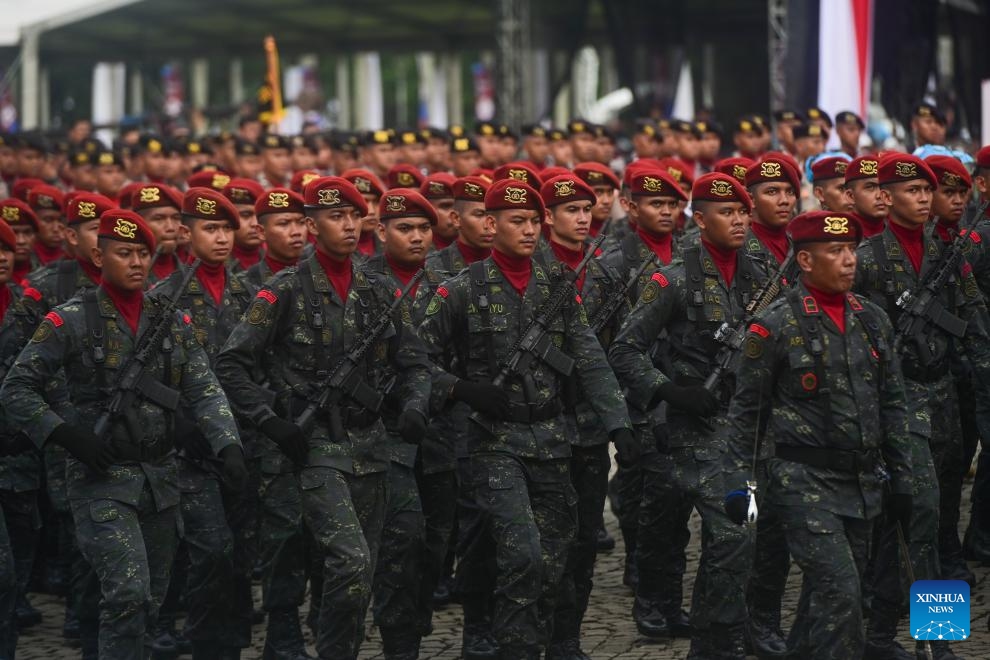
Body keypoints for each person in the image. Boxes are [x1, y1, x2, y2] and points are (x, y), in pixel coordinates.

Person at [1, 208, 244, 660]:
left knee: (147, 601)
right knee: (127, 592)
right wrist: (64, 434)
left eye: (142, 254)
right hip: (101, 478)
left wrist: (226, 443)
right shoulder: (70, 320)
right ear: (98, 255)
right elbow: (16, 388)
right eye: (124, 253)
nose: (136, 262)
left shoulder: (170, 317)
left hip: (160, 477)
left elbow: (204, 388)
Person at [215, 176, 432, 660]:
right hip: (313, 448)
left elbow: (414, 362)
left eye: (355, 216)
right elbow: (231, 362)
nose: (349, 225)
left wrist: (416, 405)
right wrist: (269, 420)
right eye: (337, 216)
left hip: (373, 447)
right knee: (351, 564)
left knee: (364, 574)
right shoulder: (283, 289)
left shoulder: (378, 288)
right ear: (313, 225)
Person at [417, 178, 632, 659]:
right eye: (518, 221)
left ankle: (543, 642)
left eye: (535, 220)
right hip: (493, 441)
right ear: (490, 226)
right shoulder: (460, 290)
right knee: (522, 555)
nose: (530, 230)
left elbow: (590, 358)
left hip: (554, 440)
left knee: (555, 558)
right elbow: (415, 360)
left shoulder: (557, 286)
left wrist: (620, 425)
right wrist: (460, 389)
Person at [724, 210, 912, 660]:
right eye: (836, 252)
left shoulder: (873, 319)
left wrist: (906, 476)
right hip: (803, 482)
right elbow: (747, 415)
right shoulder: (773, 326)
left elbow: (893, 404)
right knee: (841, 593)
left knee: (823, 602)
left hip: (862, 482)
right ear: (805, 261)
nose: (849, 261)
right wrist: (738, 490)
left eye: (851, 250)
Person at [608, 172, 760, 659]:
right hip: (688, 428)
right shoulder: (671, 278)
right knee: (685, 527)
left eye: (742, 213)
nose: (738, 221)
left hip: (749, 431)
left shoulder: (763, 276)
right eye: (727, 213)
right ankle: (703, 633)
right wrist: (669, 390)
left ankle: (937, 633)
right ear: (700, 219)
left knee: (741, 538)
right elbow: (625, 348)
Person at [853, 154, 982, 660]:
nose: (924, 199)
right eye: (912, 192)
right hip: (897, 404)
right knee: (921, 516)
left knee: (928, 520)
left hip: (944, 397)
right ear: (885, 198)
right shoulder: (864, 259)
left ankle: (880, 636)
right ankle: (938, 636)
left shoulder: (947, 253)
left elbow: (973, 319)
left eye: (928, 192)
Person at [149, 187, 255, 659]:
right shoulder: (162, 297)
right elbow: (145, 376)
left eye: (226, 229)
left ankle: (231, 641)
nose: (221, 238)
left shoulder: (249, 292)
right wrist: (177, 422)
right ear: (185, 233)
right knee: (209, 548)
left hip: (242, 442)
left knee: (241, 552)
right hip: (188, 449)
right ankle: (204, 639)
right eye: (210, 229)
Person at [538, 173, 639, 659]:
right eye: (571, 210)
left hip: (590, 427)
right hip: (533, 426)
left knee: (581, 539)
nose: (583, 217)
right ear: (548, 218)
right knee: (536, 541)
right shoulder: (531, 270)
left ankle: (566, 638)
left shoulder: (604, 273)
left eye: (586, 209)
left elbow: (623, 348)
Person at [358, 188, 441, 659]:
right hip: (385, 435)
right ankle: (399, 640)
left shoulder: (449, 281)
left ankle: (418, 613)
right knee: (400, 544)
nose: (416, 237)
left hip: (445, 433)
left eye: (423, 229)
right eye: (405, 228)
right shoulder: (365, 284)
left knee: (440, 542)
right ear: (382, 231)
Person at [597, 167, 687, 594]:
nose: (666, 211)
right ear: (632, 207)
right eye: (656, 204)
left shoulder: (691, 254)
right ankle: (640, 561)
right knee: (639, 483)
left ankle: (658, 575)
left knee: (669, 487)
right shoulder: (615, 261)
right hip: (634, 388)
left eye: (673, 204)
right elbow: (603, 335)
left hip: (683, 384)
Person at [236, 187, 312, 660]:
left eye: (301, 222)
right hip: (270, 433)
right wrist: (271, 415)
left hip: (325, 430)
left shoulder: (319, 280)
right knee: (283, 535)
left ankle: (324, 617)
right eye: (284, 224)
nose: (296, 231)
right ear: (261, 232)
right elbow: (233, 364)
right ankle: (282, 633)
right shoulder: (247, 289)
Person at [0, 219, 29, 657]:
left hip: (18, 449)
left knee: (12, 569)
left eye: (6, 250)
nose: (2, 257)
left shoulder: (25, 305)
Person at [221, 178, 266, 272]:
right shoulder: (217, 263)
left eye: (259, 216)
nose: (255, 223)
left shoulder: (277, 256)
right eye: (246, 215)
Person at [843, 156, 886, 239]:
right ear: (851, 196)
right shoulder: (842, 238)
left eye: (883, 187)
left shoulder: (900, 232)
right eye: (870, 187)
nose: (879, 195)